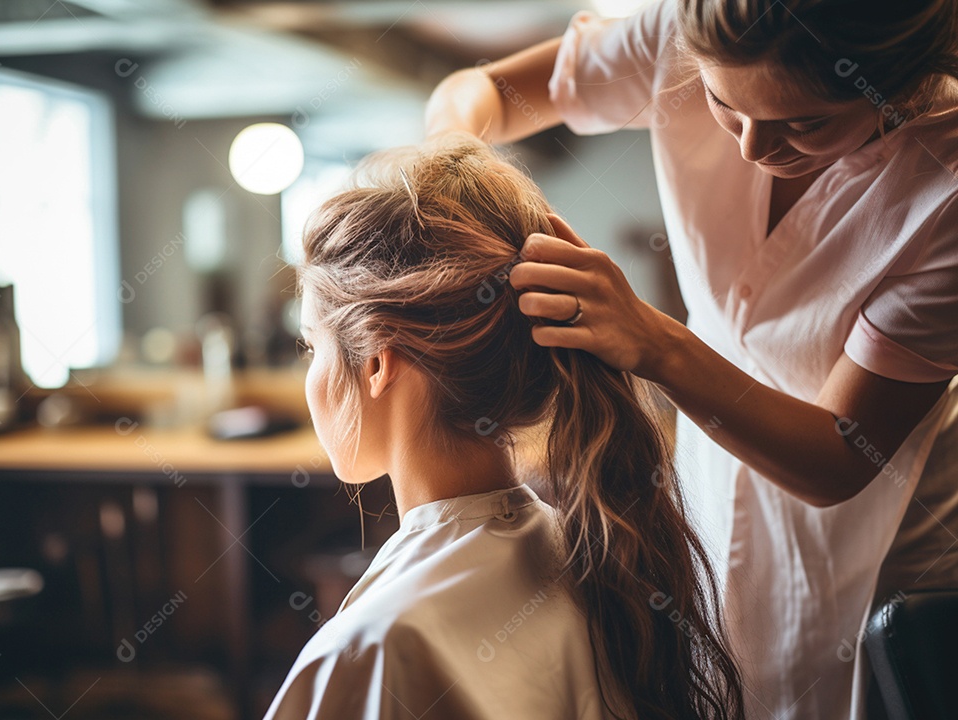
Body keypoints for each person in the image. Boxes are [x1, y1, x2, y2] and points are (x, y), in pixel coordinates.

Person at [423, 1, 958, 719]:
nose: (752, 147)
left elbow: (840, 457)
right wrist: (452, 170)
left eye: (806, 124)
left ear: (898, 86)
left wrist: (653, 341)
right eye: (722, 102)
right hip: (716, 476)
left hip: (876, 536)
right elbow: (481, 91)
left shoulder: (945, 188)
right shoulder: (675, 34)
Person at [263, 135, 745, 719]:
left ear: (375, 362)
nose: (311, 372)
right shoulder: (604, 560)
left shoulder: (374, 647)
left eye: (312, 346)